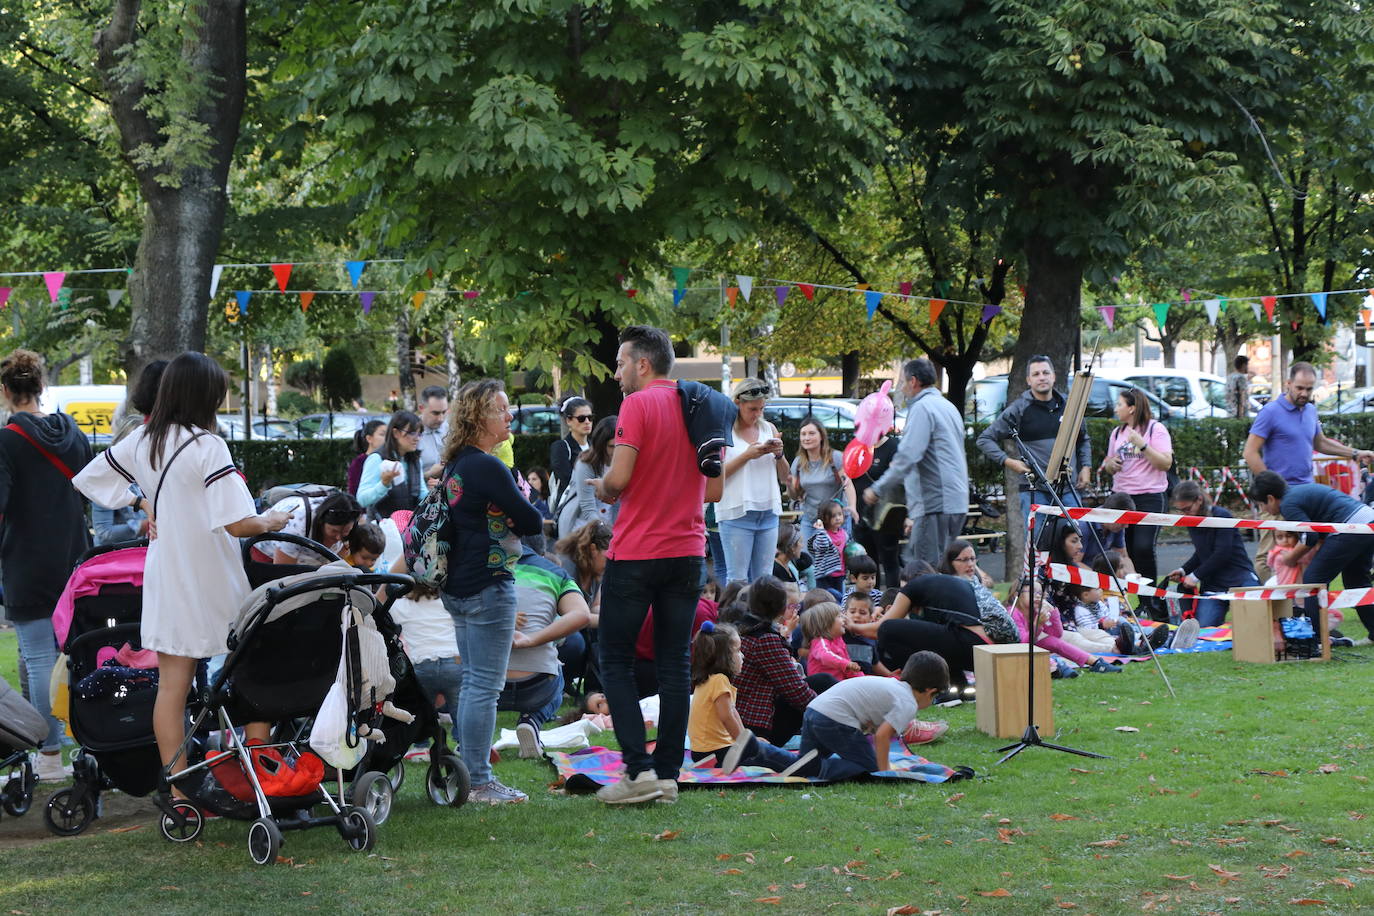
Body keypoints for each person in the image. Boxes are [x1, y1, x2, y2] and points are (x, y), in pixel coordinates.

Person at [72, 352, 292, 775]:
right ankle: (260, 770)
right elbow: (239, 524)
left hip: (167, 575)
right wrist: (273, 519)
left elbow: (90, 480)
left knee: (171, 690)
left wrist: (142, 500)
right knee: (252, 666)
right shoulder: (208, 445)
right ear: (206, 396)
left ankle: (179, 789)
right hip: (212, 575)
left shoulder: (143, 439)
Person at [590, 325, 721, 806]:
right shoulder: (704, 403)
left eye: (622, 363)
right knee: (674, 665)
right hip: (687, 551)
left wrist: (603, 488)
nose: (619, 373)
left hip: (639, 551)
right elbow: (715, 490)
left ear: (643, 364)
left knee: (616, 660)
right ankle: (667, 775)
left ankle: (637, 771)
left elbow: (619, 478)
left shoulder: (638, 404)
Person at [437, 379, 544, 804]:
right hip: (488, 585)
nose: (510, 416)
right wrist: (518, 506)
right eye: (502, 409)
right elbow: (532, 520)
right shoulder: (486, 465)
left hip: (460, 587)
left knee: (473, 683)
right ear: (481, 416)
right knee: (484, 686)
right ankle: (479, 781)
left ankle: (470, 775)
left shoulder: (458, 464)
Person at [0, 350, 93, 780]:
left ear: (5, 392)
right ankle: (83, 745)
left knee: (38, 658)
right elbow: (92, 487)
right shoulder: (72, 432)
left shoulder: (6, 441)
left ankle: (50, 753)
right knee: (72, 656)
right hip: (75, 559)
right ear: (41, 387)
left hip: (26, 561)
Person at [1243, 362, 1373, 580]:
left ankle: (1303, 611)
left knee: (1308, 559)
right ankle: (1270, 611)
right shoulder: (1270, 412)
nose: (1304, 393)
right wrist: (1270, 489)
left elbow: (1320, 443)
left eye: (1309, 389)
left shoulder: (1311, 410)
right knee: (1272, 557)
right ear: (1288, 384)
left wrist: (1354, 453)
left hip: (1305, 497)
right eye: (1299, 388)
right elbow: (1250, 452)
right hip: (1277, 499)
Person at [863, 358, 969, 567]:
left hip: (934, 503)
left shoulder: (922, 408)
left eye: (902, 381)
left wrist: (877, 489)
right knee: (945, 569)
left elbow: (907, 456)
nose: (901, 387)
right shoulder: (947, 406)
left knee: (922, 570)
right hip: (955, 501)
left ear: (913, 382)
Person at [1248, 470, 1374, 634]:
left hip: (1349, 527)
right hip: (1368, 521)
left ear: (1271, 498)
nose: (1262, 509)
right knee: (1356, 580)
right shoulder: (1297, 492)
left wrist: (1290, 558)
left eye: (1261, 504)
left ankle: (1316, 640)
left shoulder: (1288, 504)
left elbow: (1310, 536)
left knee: (1313, 581)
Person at [976, 354, 1092, 526]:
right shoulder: (1019, 409)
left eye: (1046, 372)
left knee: (1076, 543)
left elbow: (1083, 439)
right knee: (1039, 547)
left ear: (1053, 376)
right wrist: (1009, 462)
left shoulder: (1069, 406)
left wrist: (1086, 467)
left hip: (1069, 488)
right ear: (1028, 380)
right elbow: (984, 439)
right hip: (1035, 491)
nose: (1042, 377)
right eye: (1036, 374)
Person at [687, 621, 816, 775]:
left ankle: (792, 761)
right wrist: (743, 744)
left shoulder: (709, 679)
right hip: (716, 751)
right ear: (724, 657)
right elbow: (727, 716)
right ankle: (798, 765)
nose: (742, 655)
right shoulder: (719, 680)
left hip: (706, 751)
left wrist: (747, 739)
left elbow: (733, 713)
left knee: (759, 745)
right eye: (737, 650)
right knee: (764, 753)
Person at [797, 651, 949, 781]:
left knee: (803, 763)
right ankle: (820, 768)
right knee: (869, 768)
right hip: (833, 720)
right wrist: (884, 772)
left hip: (814, 709)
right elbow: (882, 736)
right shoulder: (908, 702)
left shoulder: (893, 686)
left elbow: (873, 724)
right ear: (930, 691)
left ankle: (773, 753)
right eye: (934, 697)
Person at [506, 545, 592, 758]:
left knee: (467, 685)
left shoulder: (474, 565)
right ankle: (531, 720)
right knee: (557, 669)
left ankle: (466, 739)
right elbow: (582, 615)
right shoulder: (555, 573)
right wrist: (531, 639)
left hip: (489, 685)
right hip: (537, 684)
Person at [734, 575, 833, 746]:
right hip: (755, 729)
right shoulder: (765, 639)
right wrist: (833, 713)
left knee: (821, 681)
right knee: (823, 684)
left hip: (739, 719)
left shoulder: (741, 627)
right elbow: (796, 692)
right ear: (781, 608)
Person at [1099, 388, 1172, 605]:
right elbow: (1109, 462)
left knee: (1143, 548)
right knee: (1125, 551)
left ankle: (1151, 603)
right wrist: (1110, 465)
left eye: (1119, 404)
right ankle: (1135, 604)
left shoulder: (1155, 429)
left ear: (1132, 408)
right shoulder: (1116, 433)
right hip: (1122, 497)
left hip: (1149, 496)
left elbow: (1165, 463)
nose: (1115, 408)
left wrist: (1143, 445)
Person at [718, 378, 788, 582]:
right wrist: (747, 455)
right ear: (738, 402)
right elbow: (715, 477)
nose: (757, 414)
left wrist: (779, 454)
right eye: (752, 409)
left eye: (761, 409)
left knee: (764, 580)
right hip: (736, 513)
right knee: (738, 580)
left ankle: (762, 615)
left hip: (768, 512)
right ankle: (736, 616)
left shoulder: (769, 428)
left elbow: (785, 477)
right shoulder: (724, 431)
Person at [1164, 480, 1259, 628]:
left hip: (1239, 577)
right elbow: (1202, 552)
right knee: (1204, 629)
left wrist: (1195, 577)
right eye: (1181, 510)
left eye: (1187, 509)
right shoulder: (1191, 520)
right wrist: (1183, 570)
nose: (1185, 514)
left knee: (1254, 623)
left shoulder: (1222, 516)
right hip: (1213, 586)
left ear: (1199, 500)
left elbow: (1222, 553)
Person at [1008, 577, 1120, 673]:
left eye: (1041, 594)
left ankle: (1095, 662)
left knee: (1052, 640)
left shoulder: (1036, 612)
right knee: (1062, 640)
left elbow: (1056, 634)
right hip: (1012, 653)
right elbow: (1023, 645)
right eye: (1033, 592)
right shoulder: (1013, 613)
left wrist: (1053, 612)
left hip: (1028, 648)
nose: (1038, 596)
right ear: (1017, 595)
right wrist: (1038, 625)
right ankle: (1056, 667)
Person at [554, 520, 612, 693]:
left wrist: (612, 615)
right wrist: (610, 620)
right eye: (608, 557)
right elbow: (574, 616)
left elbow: (596, 606)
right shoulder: (567, 567)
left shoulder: (595, 572)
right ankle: (561, 682)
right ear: (593, 550)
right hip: (556, 626)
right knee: (576, 643)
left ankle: (596, 688)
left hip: (578, 624)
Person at [788, 417, 857, 536]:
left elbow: (848, 484)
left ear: (821, 436)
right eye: (803, 434)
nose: (806, 438)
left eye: (811, 433)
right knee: (807, 554)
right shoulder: (798, 463)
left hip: (836, 519)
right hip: (810, 520)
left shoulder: (835, 458)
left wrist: (852, 507)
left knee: (836, 554)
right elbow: (794, 495)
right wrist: (789, 486)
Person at [357, 410, 427, 519]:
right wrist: (384, 484)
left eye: (420, 433)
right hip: (383, 529)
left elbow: (422, 494)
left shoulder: (415, 460)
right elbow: (362, 500)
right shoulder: (377, 459)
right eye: (412, 433)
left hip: (409, 529)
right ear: (396, 433)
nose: (417, 438)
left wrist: (437, 492)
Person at [258, 491, 363, 563]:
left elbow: (334, 563)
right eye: (334, 531)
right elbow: (282, 573)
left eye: (345, 532)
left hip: (306, 557)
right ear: (321, 522)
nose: (338, 538)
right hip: (264, 552)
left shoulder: (351, 522)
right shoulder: (297, 525)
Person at [557, 415, 618, 537]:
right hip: (584, 527)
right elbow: (588, 508)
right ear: (601, 444)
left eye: (620, 446)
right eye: (612, 446)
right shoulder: (586, 464)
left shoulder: (627, 460)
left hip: (614, 522)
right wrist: (606, 534)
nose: (617, 451)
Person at [802, 602, 862, 680]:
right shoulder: (820, 642)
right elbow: (825, 656)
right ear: (827, 623)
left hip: (838, 685)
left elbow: (849, 669)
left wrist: (861, 679)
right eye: (840, 616)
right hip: (824, 688)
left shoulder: (839, 640)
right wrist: (846, 664)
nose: (844, 619)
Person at [549, 396, 592, 498]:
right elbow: (567, 481)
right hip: (572, 507)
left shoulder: (594, 446)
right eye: (581, 418)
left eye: (590, 417)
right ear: (568, 420)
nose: (587, 422)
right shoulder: (561, 448)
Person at [807, 501, 848, 596]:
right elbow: (822, 546)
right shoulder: (821, 534)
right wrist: (820, 530)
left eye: (840, 514)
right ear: (824, 518)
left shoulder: (844, 533)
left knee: (838, 598)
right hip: (824, 574)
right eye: (833, 516)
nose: (838, 518)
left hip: (839, 573)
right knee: (824, 599)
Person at [415, 384, 450, 478]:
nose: (441, 419)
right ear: (421, 408)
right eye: (435, 413)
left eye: (444, 412)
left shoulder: (451, 429)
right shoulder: (411, 434)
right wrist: (428, 475)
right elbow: (404, 478)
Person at [345, 419, 387, 496]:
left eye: (388, 435)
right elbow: (354, 492)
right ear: (369, 439)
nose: (387, 438)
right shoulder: (359, 462)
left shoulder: (389, 459)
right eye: (382, 434)